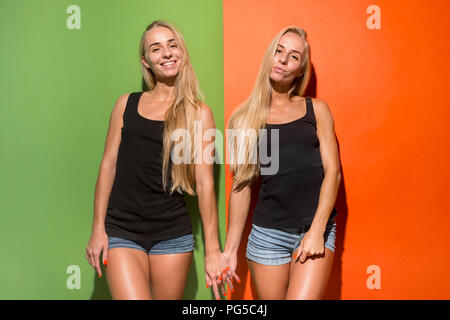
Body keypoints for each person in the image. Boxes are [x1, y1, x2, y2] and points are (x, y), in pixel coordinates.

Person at [85, 20, 231, 300]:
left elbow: (204, 184)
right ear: (147, 62)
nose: (166, 53)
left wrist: (213, 252)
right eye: (156, 48)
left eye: (172, 45)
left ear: (182, 52)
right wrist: (97, 229)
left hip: (173, 236)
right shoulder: (125, 104)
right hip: (122, 231)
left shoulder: (199, 113)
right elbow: (108, 166)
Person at [223, 26, 342, 300]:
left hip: (316, 229)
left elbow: (332, 173)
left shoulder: (317, 109)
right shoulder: (243, 118)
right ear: (269, 56)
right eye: (279, 51)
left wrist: (317, 231)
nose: (283, 59)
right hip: (268, 236)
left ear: (301, 69)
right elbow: (241, 189)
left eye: (293, 56)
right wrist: (230, 250)